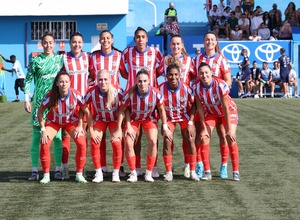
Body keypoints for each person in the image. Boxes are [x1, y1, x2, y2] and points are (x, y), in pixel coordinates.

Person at [112, 69, 172, 183]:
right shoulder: (130, 93)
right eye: (140, 81)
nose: (142, 84)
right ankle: (133, 173)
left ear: (149, 81)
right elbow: (122, 110)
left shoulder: (156, 93)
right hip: (134, 119)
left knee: (153, 141)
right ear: (136, 81)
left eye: (145, 81)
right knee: (129, 142)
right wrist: (122, 127)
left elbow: (161, 110)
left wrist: (165, 127)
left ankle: (149, 173)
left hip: (149, 119)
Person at [122, 27, 163, 177]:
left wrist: (150, 81)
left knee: (153, 136)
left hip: (151, 99)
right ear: (134, 38)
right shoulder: (127, 52)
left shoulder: (155, 52)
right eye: (138, 37)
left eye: (143, 37)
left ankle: (155, 167)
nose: (140, 39)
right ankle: (137, 167)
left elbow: (159, 70)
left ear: (147, 39)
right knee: (134, 135)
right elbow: (123, 71)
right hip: (133, 98)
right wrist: (132, 82)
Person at [37, 71, 93, 184]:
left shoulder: (75, 94)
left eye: (66, 81)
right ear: (57, 83)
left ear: (70, 83)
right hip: (54, 122)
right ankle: (46, 175)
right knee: (44, 142)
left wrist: (80, 126)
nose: (64, 84)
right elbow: (40, 112)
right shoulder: (50, 95)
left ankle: (79, 174)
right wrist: (43, 129)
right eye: (61, 81)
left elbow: (87, 111)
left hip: (70, 122)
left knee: (82, 143)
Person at [24, 32, 63, 181]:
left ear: (54, 44)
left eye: (50, 42)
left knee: (57, 138)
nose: (48, 45)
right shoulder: (36, 61)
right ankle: (35, 170)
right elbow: (28, 81)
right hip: (39, 104)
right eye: (45, 42)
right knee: (37, 138)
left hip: (55, 105)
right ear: (41, 44)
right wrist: (27, 99)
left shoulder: (60, 60)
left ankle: (58, 169)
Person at [156, 35, 197, 178]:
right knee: (168, 138)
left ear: (182, 45)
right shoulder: (165, 60)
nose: (175, 46)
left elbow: (195, 76)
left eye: (178, 44)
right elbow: (155, 73)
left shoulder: (189, 60)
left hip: (184, 104)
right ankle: (169, 167)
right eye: (173, 44)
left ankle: (188, 166)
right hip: (168, 103)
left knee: (189, 137)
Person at [192, 62, 240, 181]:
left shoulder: (220, 85)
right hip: (211, 112)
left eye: (206, 72)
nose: (204, 75)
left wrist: (229, 129)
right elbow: (200, 109)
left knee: (229, 137)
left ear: (211, 73)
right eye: (201, 73)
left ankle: (234, 170)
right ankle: (207, 172)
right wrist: (203, 128)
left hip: (227, 111)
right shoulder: (196, 86)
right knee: (204, 137)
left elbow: (225, 108)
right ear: (198, 75)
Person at [194, 32, 232, 179]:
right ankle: (200, 164)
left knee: (223, 134)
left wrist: (219, 92)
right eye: (206, 39)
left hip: (219, 105)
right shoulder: (197, 59)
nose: (209, 42)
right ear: (203, 42)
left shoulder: (222, 59)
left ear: (216, 41)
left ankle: (223, 166)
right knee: (201, 135)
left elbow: (228, 81)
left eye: (212, 39)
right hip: (203, 105)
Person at [90, 30, 127, 177]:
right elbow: (92, 75)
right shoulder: (94, 57)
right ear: (100, 41)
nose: (105, 41)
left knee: (118, 138)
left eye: (108, 38)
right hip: (99, 101)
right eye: (103, 38)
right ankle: (102, 168)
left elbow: (125, 73)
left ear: (112, 40)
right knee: (99, 138)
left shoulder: (119, 56)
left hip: (115, 101)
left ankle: (120, 167)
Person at [61, 31, 91, 180]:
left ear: (83, 44)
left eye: (79, 42)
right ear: (70, 43)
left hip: (83, 103)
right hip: (68, 103)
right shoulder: (64, 58)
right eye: (74, 42)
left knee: (82, 136)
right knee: (66, 135)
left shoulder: (87, 57)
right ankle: (65, 168)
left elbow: (92, 75)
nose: (76, 44)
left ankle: (81, 168)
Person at [85, 69, 124, 183]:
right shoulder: (92, 91)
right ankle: (98, 173)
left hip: (114, 120)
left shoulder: (118, 91)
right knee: (94, 141)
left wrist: (120, 128)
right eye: (100, 80)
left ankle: (116, 172)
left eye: (105, 79)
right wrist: (90, 129)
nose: (103, 82)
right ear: (97, 80)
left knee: (116, 142)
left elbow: (126, 106)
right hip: (100, 119)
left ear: (110, 80)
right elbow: (83, 107)